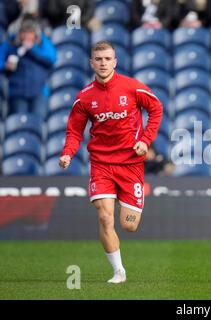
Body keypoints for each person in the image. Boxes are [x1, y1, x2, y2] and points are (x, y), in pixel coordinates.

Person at [59, 41, 163, 283]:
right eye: (99, 59)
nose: (103, 63)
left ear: (115, 62)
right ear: (91, 63)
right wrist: (67, 153)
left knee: (129, 226)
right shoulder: (85, 97)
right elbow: (74, 131)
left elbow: (156, 109)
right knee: (105, 217)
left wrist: (146, 141)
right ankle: (119, 272)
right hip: (101, 164)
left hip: (130, 164)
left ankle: (120, 199)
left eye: (108, 59)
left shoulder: (132, 88)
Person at [0, 18, 56, 118]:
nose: (26, 36)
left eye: (30, 33)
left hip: (39, 93)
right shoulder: (10, 43)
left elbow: (51, 59)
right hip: (17, 93)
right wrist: (5, 65)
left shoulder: (42, 42)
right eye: (24, 33)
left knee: (37, 122)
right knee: (18, 124)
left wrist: (32, 49)